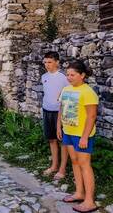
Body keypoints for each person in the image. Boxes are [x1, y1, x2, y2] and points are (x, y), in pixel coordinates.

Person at [57, 60, 99, 213]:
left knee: (84, 164)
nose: (69, 77)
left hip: (82, 135)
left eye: (72, 75)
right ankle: (79, 193)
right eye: (67, 74)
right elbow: (61, 110)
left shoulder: (88, 92)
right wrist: (59, 127)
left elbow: (92, 116)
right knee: (74, 162)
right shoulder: (66, 89)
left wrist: (84, 137)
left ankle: (90, 201)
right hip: (68, 132)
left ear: (82, 75)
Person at [41, 51, 69, 180]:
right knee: (51, 139)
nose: (47, 65)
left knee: (63, 140)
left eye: (50, 62)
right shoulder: (44, 76)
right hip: (47, 110)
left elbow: (68, 96)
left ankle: (62, 169)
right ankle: (54, 165)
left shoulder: (64, 77)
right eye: (45, 62)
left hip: (60, 112)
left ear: (57, 62)